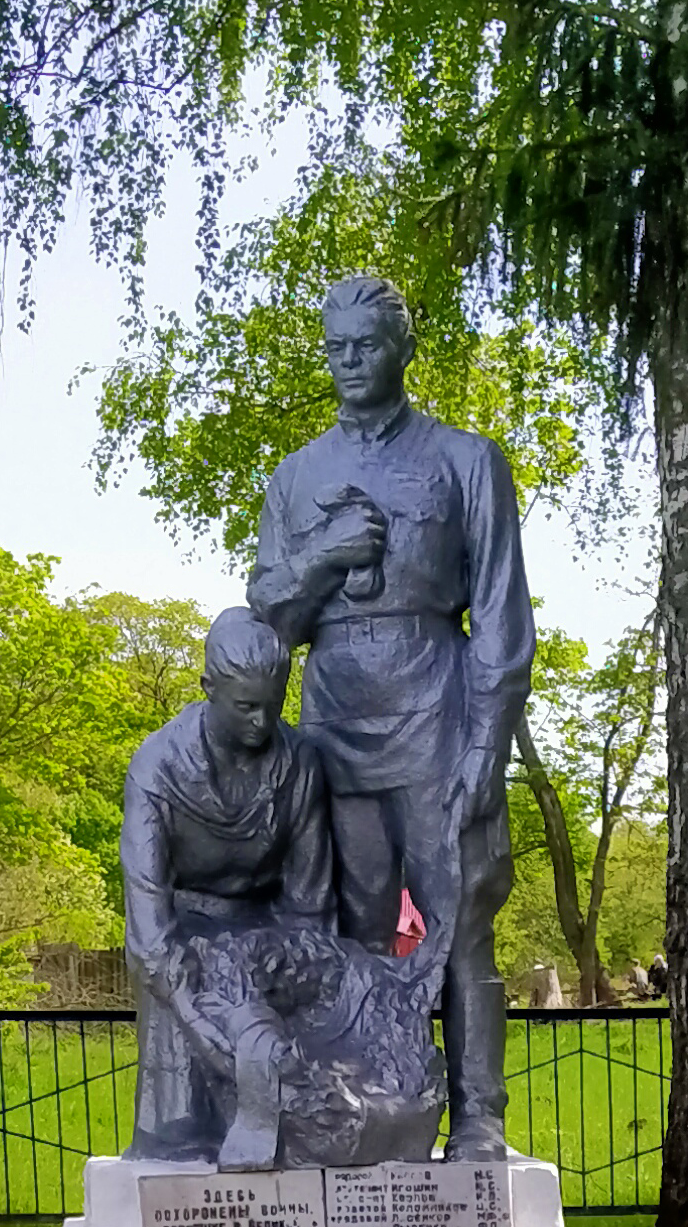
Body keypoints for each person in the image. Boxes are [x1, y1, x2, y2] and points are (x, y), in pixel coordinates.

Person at [245, 273, 535, 1162]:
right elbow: (267, 623)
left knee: (458, 918)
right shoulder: (295, 480)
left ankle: (479, 1115)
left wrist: (488, 742)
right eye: (335, 348)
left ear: (404, 349)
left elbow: (501, 614)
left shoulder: (466, 460)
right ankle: (372, 1109)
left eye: (365, 346)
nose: (348, 364)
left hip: (439, 704)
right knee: (353, 923)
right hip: (333, 712)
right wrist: (323, 559)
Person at [120, 610, 338, 1166]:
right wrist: (196, 1020)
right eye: (246, 706)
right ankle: (182, 1134)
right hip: (182, 934)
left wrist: (294, 965)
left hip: (269, 933)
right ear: (208, 689)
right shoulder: (157, 768)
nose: (262, 722)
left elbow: (309, 902)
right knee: (180, 1124)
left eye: (273, 704)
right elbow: (148, 919)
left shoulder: (301, 765)